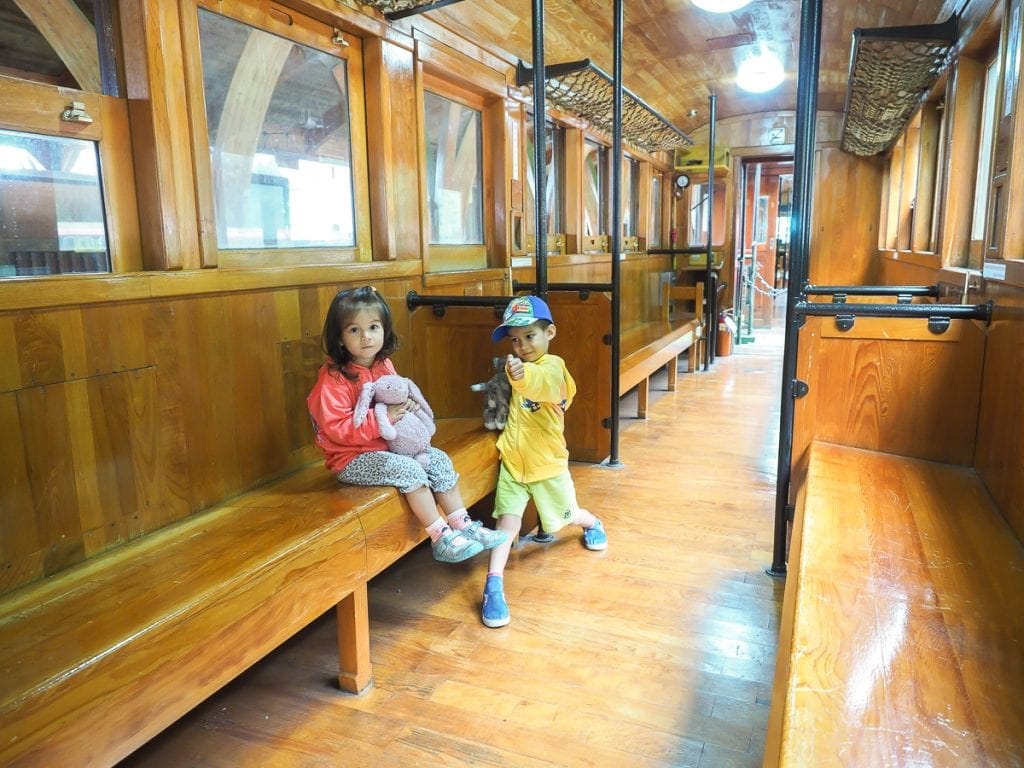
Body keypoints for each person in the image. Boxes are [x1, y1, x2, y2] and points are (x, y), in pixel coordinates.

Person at [307, 286, 506, 563]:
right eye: (354, 330)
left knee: (438, 459)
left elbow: (396, 395)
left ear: (384, 330)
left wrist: (408, 408)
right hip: (351, 458)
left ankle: (463, 524)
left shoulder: (383, 364)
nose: (366, 337)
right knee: (410, 469)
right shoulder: (333, 379)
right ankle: (441, 536)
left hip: (388, 446)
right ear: (339, 337)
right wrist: (383, 421)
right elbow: (336, 429)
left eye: (373, 327)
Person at [481, 295, 607, 628]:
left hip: (547, 466)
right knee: (506, 525)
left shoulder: (555, 369)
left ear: (549, 333)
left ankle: (592, 522)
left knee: (567, 517)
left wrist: (521, 376)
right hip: (514, 463)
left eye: (529, 336)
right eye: (515, 340)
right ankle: (493, 584)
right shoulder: (517, 366)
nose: (522, 346)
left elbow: (541, 386)